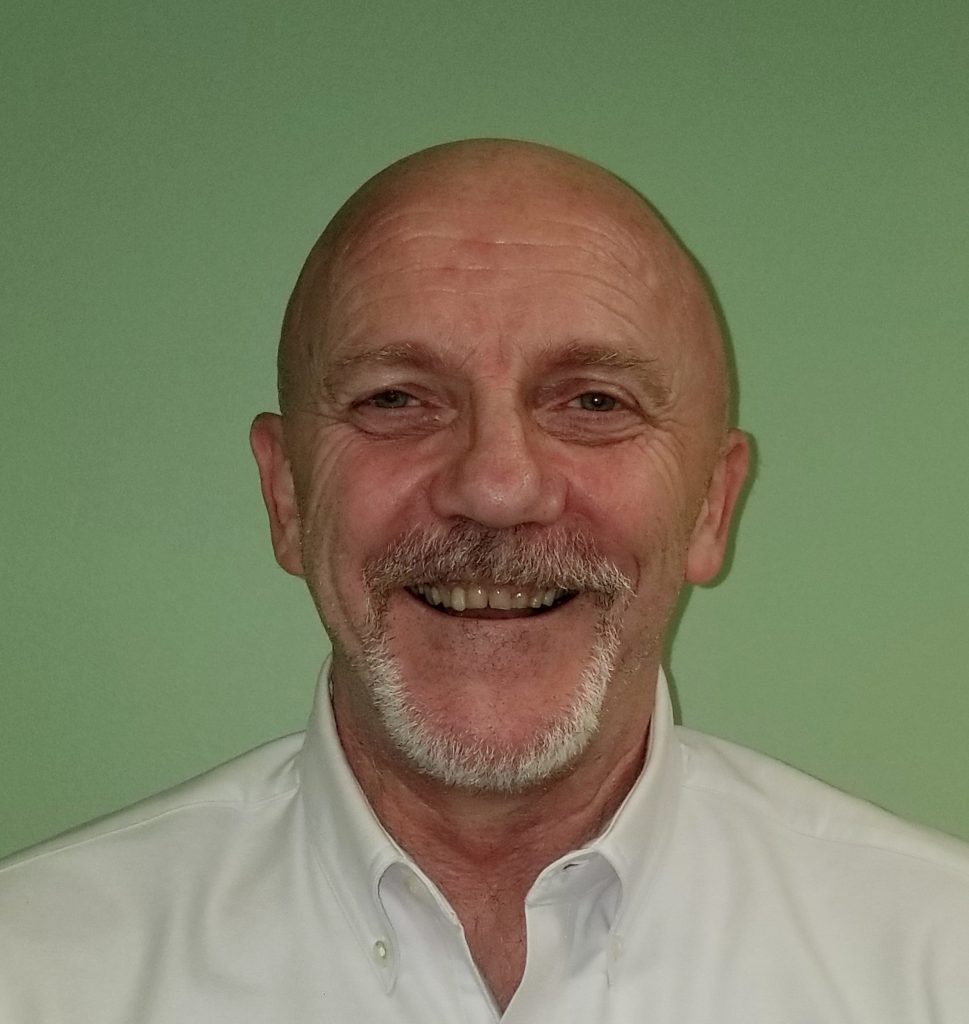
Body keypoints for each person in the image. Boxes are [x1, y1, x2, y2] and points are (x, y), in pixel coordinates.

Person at [1, 139, 967, 1022]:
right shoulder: (36, 973)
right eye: (396, 399)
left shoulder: (936, 961)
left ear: (711, 506)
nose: (497, 488)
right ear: (286, 493)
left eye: (594, 403)